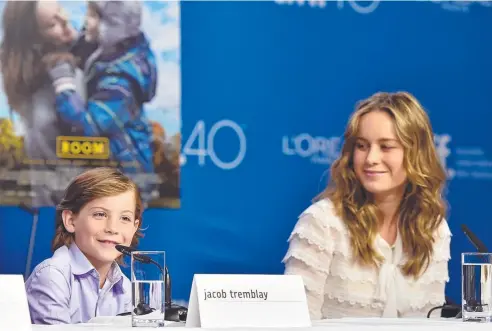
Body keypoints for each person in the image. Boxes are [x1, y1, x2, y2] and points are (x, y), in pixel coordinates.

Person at [282, 91, 451, 319]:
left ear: (415, 154)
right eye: (361, 146)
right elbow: (296, 321)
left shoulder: (433, 228)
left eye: (386, 147)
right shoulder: (321, 223)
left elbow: (432, 322)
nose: (371, 158)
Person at [42, 1, 157, 199]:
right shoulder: (113, 49)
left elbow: (89, 127)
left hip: (126, 179)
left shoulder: (121, 82)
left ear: (113, 25)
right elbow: (84, 48)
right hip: (109, 173)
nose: (86, 21)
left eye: (93, 16)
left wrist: (64, 84)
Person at [25, 167, 144, 324]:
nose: (113, 228)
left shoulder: (126, 288)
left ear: (134, 227)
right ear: (70, 221)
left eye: (125, 218)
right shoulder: (52, 277)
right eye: (100, 214)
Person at [0, 0, 86, 206]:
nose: (65, 21)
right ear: (35, 41)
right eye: (52, 24)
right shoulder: (60, 87)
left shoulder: (43, 74)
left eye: (60, 11)